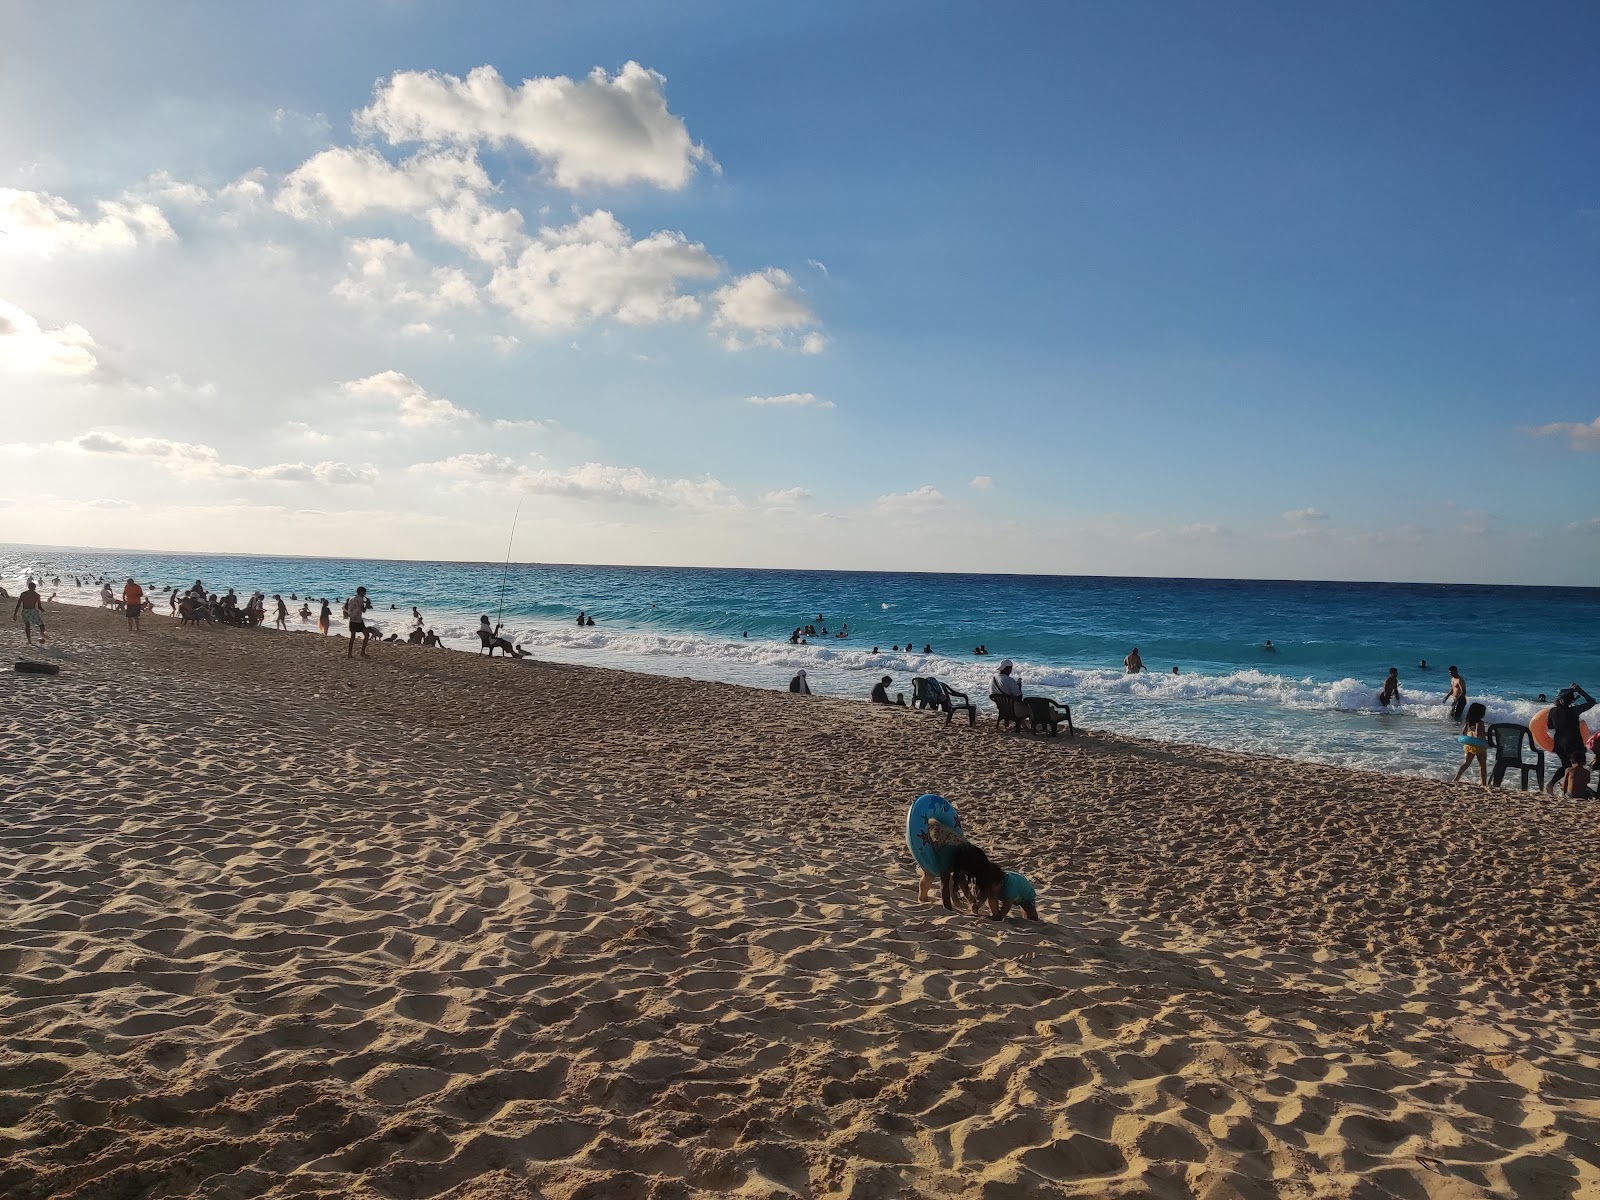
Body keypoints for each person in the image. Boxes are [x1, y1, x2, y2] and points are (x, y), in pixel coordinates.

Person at [1546, 685, 1596, 798]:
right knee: (1578, 766)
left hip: (1559, 742)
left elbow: (1550, 726)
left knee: (1566, 765)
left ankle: (1554, 785)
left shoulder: (1552, 711)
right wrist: (1581, 691)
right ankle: (1575, 790)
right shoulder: (1574, 711)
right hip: (1573, 741)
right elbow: (1592, 702)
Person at [1453, 702, 1489, 785]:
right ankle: (1484, 784)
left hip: (1470, 745)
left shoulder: (1468, 722)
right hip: (1479, 747)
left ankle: (1456, 778)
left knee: (1466, 763)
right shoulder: (1480, 723)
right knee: (1482, 766)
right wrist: (1489, 734)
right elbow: (1478, 735)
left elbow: (1463, 732)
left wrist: (1469, 736)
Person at [13, 580, 47, 645]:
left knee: (27, 625)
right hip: (32, 611)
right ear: (35, 588)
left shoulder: (23, 594)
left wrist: (15, 614)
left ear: (28, 587)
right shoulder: (36, 595)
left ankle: (29, 641)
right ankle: (41, 633)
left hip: (25, 611)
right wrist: (43, 611)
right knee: (41, 625)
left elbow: (18, 604)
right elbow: (39, 606)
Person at [347, 586, 374, 658]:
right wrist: (367, 604)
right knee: (366, 635)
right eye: (364, 592)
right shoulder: (360, 599)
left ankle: (349, 654)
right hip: (358, 620)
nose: (365, 594)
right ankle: (362, 652)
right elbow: (364, 610)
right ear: (361, 592)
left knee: (352, 637)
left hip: (352, 619)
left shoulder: (351, 598)